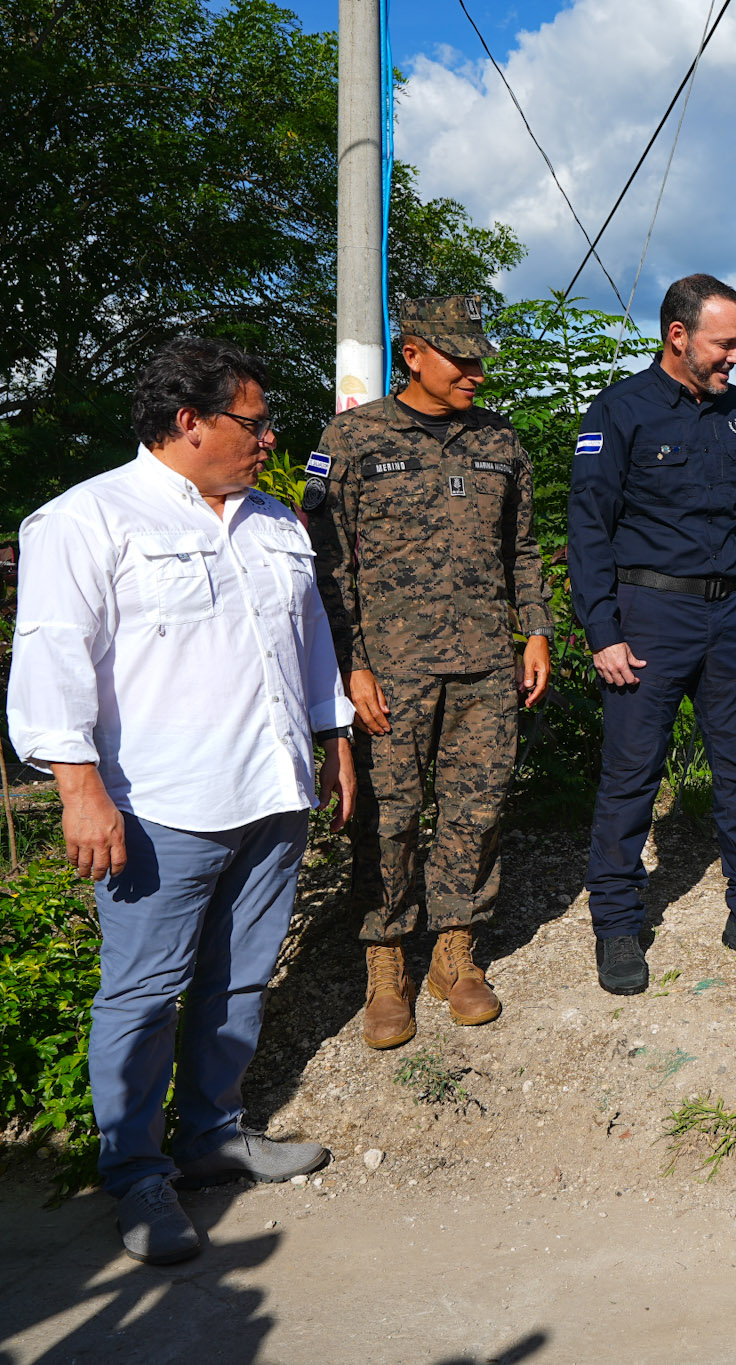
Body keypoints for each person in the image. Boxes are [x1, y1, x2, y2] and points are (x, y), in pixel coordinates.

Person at [6, 337, 354, 1264]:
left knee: (241, 977)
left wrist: (334, 736)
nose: (269, 437)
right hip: (160, 805)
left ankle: (211, 1134)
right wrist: (79, 789)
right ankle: (135, 1174)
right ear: (188, 420)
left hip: (272, 791)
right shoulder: (86, 519)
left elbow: (310, 639)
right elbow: (51, 659)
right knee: (146, 994)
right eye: (254, 420)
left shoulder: (274, 520)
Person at [307, 295, 553, 1050]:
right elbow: (326, 567)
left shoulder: (500, 442)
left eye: (481, 357)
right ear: (411, 353)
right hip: (391, 670)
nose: (476, 372)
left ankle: (454, 948)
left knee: (476, 808)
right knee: (388, 813)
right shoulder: (352, 439)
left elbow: (523, 550)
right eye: (460, 358)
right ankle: (386, 961)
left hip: (484, 664)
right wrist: (350, 667)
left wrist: (536, 630)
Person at [568, 273, 736, 995]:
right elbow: (588, 529)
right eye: (725, 342)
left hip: (732, 615)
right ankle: (616, 924)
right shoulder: (620, 411)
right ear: (679, 336)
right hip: (649, 615)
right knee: (632, 775)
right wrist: (601, 629)